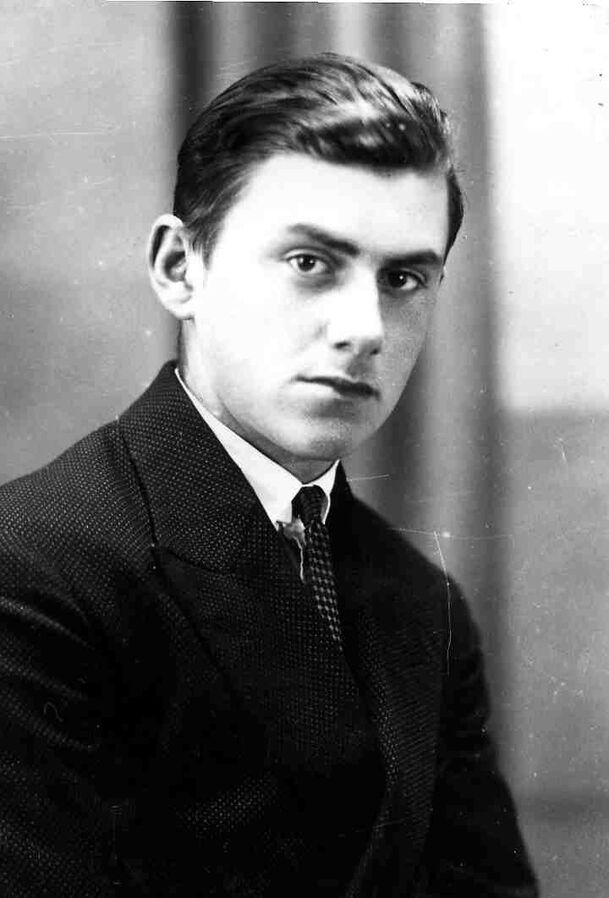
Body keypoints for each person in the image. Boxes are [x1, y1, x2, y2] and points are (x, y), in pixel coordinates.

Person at [0, 53, 538, 896]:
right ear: (180, 268)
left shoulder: (421, 604)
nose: (364, 328)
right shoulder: (33, 571)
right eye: (309, 263)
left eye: (402, 278)